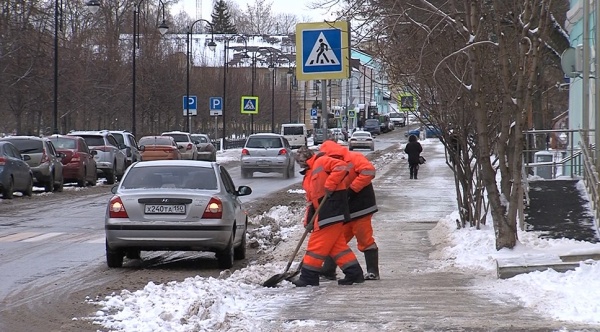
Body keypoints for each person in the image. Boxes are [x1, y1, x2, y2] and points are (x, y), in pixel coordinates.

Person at [292, 146, 365, 287]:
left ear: (305, 159)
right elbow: (312, 200)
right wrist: (309, 219)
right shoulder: (309, 172)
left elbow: (342, 166)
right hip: (324, 211)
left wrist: (330, 184)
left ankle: (309, 276)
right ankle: (354, 273)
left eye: (300, 162)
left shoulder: (322, 161)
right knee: (337, 248)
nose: (300, 165)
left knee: (316, 244)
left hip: (332, 209)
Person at [319, 140, 380, 280]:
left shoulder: (354, 157)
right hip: (345, 208)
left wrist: (352, 189)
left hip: (362, 205)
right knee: (336, 239)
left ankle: (373, 271)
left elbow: (369, 171)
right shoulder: (326, 164)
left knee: (364, 237)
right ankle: (328, 270)